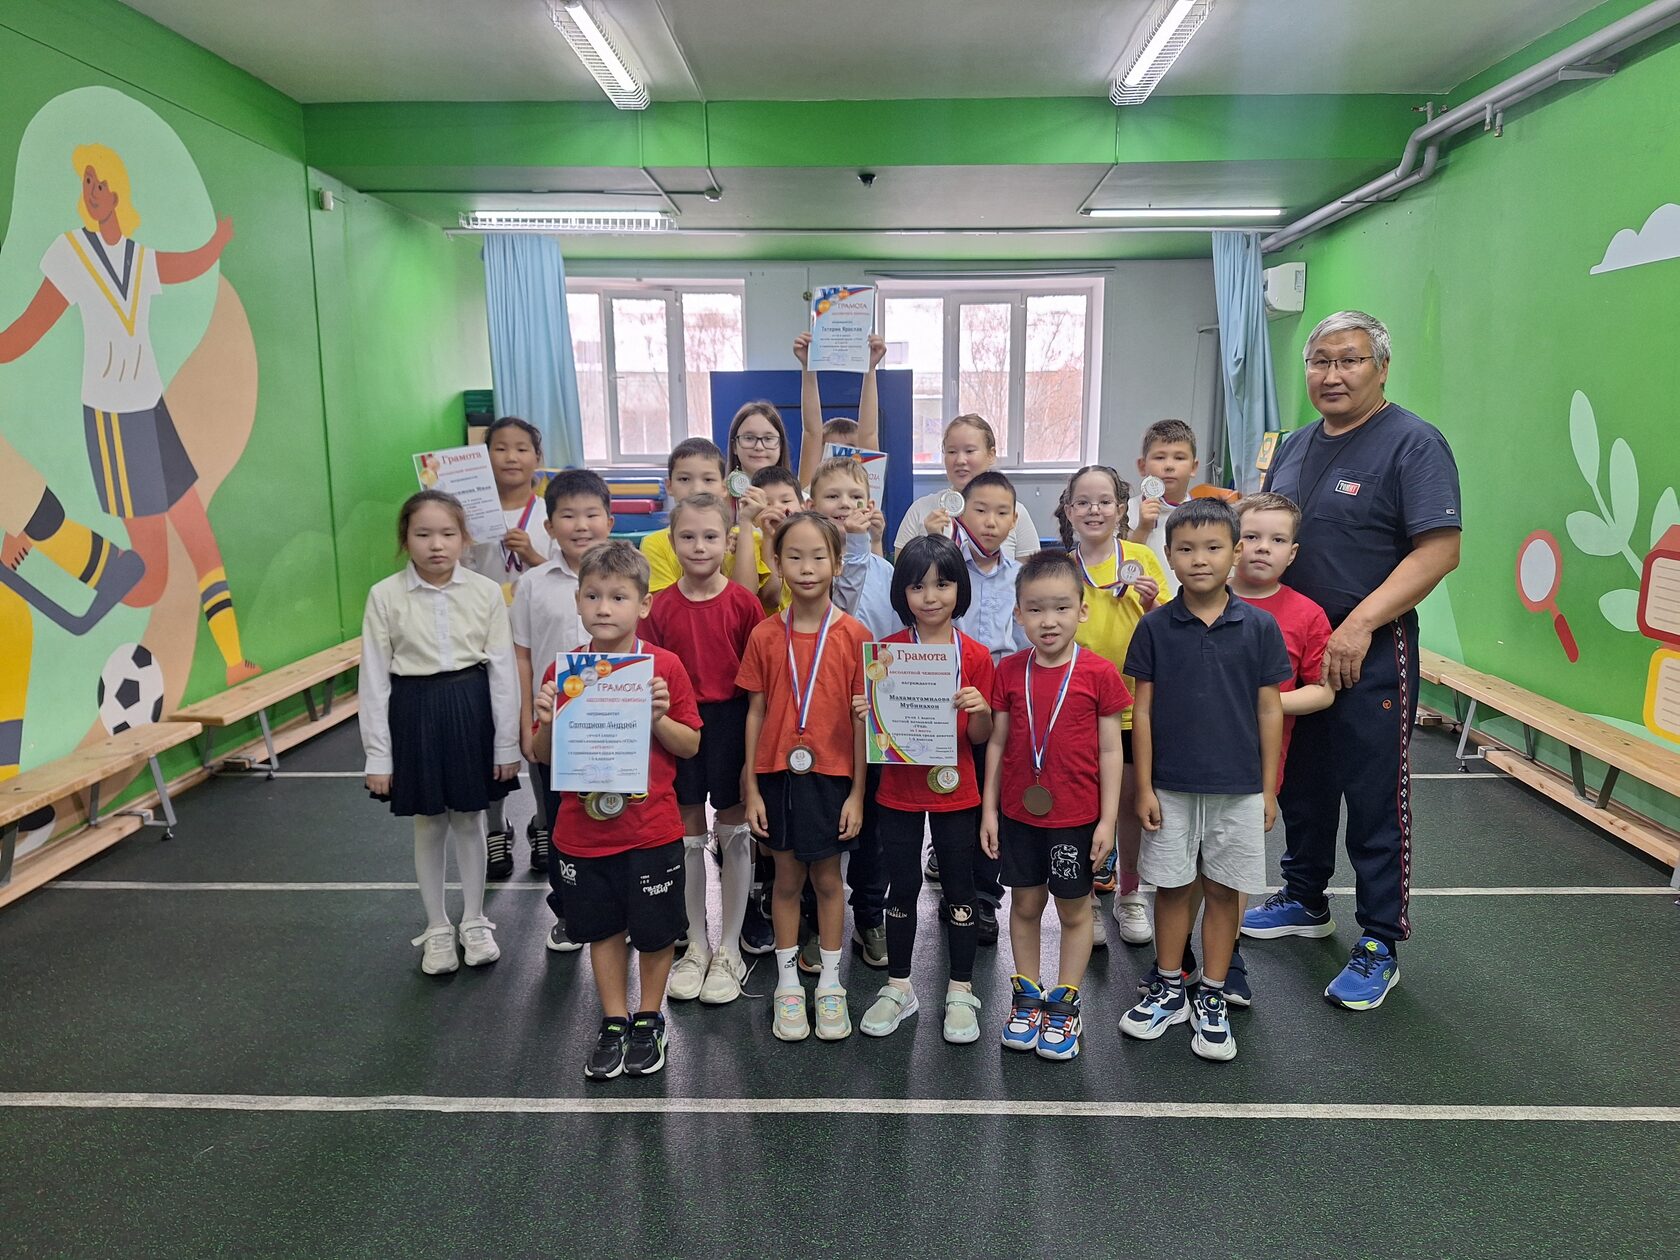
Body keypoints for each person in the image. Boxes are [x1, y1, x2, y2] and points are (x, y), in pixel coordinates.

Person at [1244, 311, 1461, 1011]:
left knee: (1374, 795)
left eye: (1350, 360)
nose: (1332, 375)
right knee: (1301, 781)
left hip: (1370, 647)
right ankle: (1305, 897)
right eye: (1320, 361)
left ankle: (1379, 941)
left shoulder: (1413, 443)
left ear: (1381, 367)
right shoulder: (1294, 446)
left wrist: (1359, 624)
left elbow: (1439, 551)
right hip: (1295, 644)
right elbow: (1266, 536)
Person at [0, 144, 258, 686]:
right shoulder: (72, 253)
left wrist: (215, 245)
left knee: (200, 536)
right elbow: (29, 328)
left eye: (98, 181)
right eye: (85, 182)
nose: (91, 190)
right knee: (148, 582)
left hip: (151, 411)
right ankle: (41, 531)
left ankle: (235, 662)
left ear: (118, 191)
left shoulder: (137, 259)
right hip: (116, 423)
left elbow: (185, 267)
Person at [1120, 499, 1290, 1062]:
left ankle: (1211, 994)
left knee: (1223, 890)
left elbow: (1270, 710)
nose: (1200, 559)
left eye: (1213, 548)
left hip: (1239, 790)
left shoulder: (1260, 627)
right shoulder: (1153, 627)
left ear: (1234, 552)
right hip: (1169, 787)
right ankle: (1170, 986)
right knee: (1172, 888)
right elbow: (1142, 712)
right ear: (1169, 556)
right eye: (1186, 549)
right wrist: (1144, 786)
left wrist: (1268, 788)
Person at [534, 541, 702, 1080]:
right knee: (602, 930)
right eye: (593, 596)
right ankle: (612, 1020)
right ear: (578, 602)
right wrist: (548, 723)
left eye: (618, 597)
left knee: (655, 932)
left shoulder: (664, 668)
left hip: (651, 830)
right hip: (582, 834)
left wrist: (657, 717)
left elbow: (690, 745)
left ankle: (649, 1018)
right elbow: (540, 755)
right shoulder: (564, 672)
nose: (604, 608)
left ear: (643, 604)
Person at [359, 491, 520, 976]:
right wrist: (378, 756)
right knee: (428, 823)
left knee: (470, 819)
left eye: (448, 534)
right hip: (414, 712)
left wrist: (506, 743)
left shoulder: (485, 592)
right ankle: (436, 927)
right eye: (423, 534)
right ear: (405, 539)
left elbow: (503, 672)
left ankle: (474, 920)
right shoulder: (385, 595)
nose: (436, 545)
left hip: (471, 708)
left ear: (464, 538)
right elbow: (374, 679)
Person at [982, 551, 1127, 1062]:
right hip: (1019, 816)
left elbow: (1111, 751)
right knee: (1023, 906)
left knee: (1073, 909)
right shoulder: (1008, 672)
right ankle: (1026, 996)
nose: (1049, 621)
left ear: (1082, 610)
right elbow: (997, 743)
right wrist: (989, 810)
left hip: (1076, 819)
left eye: (1062, 608)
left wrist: (1108, 819)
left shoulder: (1099, 673)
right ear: (1018, 614)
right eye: (1036, 609)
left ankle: (1065, 1003)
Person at [853, 535, 994, 1043]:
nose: (930, 596)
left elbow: (980, 738)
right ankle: (899, 986)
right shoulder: (886, 654)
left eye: (942, 584)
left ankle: (961, 989)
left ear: (960, 589)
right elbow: (876, 737)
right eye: (917, 586)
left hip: (956, 789)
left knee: (959, 887)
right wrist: (869, 713)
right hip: (900, 789)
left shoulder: (975, 655)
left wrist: (981, 711)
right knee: (903, 886)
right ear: (902, 593)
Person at [738, 512, 871, 1042]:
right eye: (794, 556)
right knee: (786, 881)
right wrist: (751, 786)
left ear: (838, 563)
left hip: (833, 777)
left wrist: (858, 792)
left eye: (819, 556)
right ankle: (789, 984)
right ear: (776, 563)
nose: (807, 567)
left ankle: (831, 984)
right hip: (777, 775)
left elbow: (863, 723)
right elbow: (754, 712)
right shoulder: (764, 635)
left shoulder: (856, 636)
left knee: (829, 881)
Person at [641, 494, 765, 1006]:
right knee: (688, 831)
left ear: (727, 543)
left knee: (733, 827)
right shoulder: (659, 606)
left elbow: (757, 685)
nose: (699, 546)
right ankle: (695, 943)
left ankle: (730, 947)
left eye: (710, 536)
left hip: (731, 722)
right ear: (671, 542)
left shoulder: (743, 603)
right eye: (687, 537)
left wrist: (753, 756)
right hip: (677, 725)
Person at [1055, 465, 1166, 951]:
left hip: (1132, 706)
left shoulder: (1142, 558)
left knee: (1128, 807)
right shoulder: (1062, 568)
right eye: (1082, 501)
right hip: (1076, 707)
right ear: (1068, 511)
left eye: (1104, 501)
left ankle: (1130, 894)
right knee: (1082, 806)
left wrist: (1152, 603)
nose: (1093, 509)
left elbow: (1169, 624)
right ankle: (1086, 900)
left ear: (1122, 509)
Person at [511, 468, 614, 944]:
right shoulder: (533, 584)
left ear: (609, 521)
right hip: (555, 729)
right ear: (549, 526)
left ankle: (617, 906)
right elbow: (522, 656)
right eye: (568, 516)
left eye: (591, 514)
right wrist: (526, 723)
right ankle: (568, 909)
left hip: (615, 728)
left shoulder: (631, 574)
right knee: (561, 821)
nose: (581, 525)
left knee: (617, 817)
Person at [807, 455, 895, 969]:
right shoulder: (808, 571)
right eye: (832, 497)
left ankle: (869, 916)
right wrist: (856, 545)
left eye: (854, 497)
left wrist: (865, 546)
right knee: (819, 827)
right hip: (818, 722)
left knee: (872, 832)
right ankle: (815, 923)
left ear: (870, 503)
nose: (844, 505)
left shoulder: (883, 571)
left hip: (874, 720)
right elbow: (840, 589)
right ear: (811, 505)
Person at [458, 416, 555, 878]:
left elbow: (567, 571)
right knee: (492, 735)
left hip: (535, 641)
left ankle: (543, 822)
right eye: (500, 448)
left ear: (538, 457)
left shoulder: (549, 513)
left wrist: (533, 555)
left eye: (521, 448)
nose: (511, 457)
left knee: (537, 733)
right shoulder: (467, 514)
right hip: (482, 640)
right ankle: (497, 827)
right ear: (485, 456)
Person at [947, 469, 1029, 946]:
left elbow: (1026, 646)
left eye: (1002, 513)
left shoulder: (1021, 579)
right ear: (961, 512)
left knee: (990, 798)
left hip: (998, 706)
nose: (991, 521)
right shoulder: (944, 570)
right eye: (980, 510)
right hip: (945, 701)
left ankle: (983, 896)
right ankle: (954, 889)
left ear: (1015, 520)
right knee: (952, 801)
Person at [893, 414, 1042, 559]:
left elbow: (1031, 574)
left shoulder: (1014, 513)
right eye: (952, 451)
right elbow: (901, 573)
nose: (960, 460)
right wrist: (933, 543)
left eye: (970, 451)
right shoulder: (920, 509)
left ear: (991, 455)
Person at [641, 437, 769, 597]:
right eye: (684, 479)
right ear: (669, 486)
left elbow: (746, 597)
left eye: (708, 479)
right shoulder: (655, 544)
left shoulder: (745, 537)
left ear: (724, 488)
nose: (697, 489)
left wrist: (746, 523)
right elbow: (666, 606)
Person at [793, 332, 886, 491]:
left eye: (850, 449)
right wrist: (808, 367)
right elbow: (811, 433)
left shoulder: (868, 487)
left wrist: (870, 368)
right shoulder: (811, 488)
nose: (841, 460)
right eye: (832, 450)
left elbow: (868, 434)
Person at [1125, 419, 1200, 597]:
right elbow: (1121, 568)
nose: (1169, 466)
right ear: (1142, 466)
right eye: (1159, 457)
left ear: (1193, 467)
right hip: (1137, 605)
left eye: (1179, 458)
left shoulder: (1204, 516)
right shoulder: (1124, 512)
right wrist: (1142, 529)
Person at [737, 465, 805, 612]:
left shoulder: (810, 542)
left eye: (786, 501)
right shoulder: (748, 541)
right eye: (767, 503)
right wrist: (769, 538)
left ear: (803, 508)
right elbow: (771, 598)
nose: (777, 507)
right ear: (754, 516)